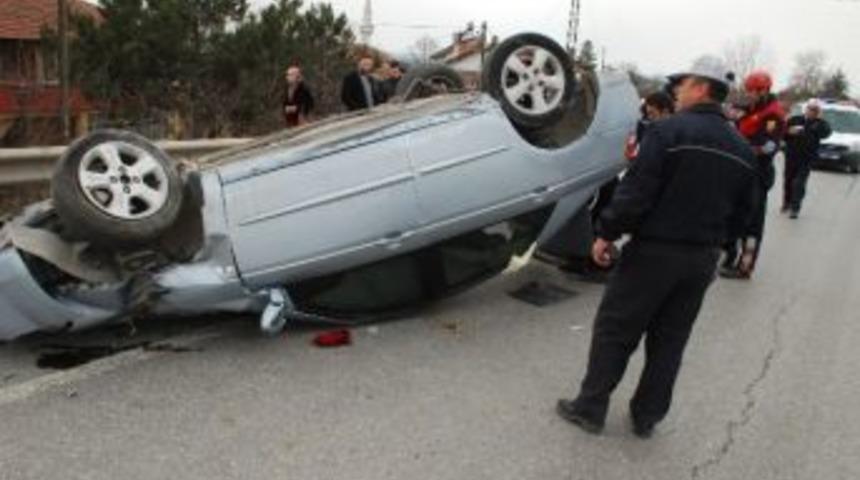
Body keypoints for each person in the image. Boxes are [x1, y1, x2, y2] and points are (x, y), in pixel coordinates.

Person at [555, 58, 759, 438]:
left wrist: (606, 233)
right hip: (701, 259)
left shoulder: (668, 132)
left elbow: (636, 192)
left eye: (682, 85)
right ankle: (647, 416)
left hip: (654, 253)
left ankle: (590, 406)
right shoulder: (742, 149)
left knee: (616, 330)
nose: (676, 92)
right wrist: (717, 246)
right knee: (671, 339)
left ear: (700, 87)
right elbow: (745, 214)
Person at [719, 70, 785, 279]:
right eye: (748, 91)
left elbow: (768, 146)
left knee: (752, 223)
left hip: (758, 173)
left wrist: (740, 146)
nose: (748, 95)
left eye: (752, 91)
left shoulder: (773, 114)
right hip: (740, 171)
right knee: (732, 216)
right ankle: (729, 253)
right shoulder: (752, 108)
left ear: (764, 90)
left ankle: (745, 266)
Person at [783, 99, 832, 218]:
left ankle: (795, 208)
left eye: (815, 110)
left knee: (798, 183)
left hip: (806, 159)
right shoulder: (795, 120)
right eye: (810, 109)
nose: (811, 112)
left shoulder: (820, 124)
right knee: (789, 181)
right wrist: (789, 132)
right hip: (791, 156)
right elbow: (783, 133)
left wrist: (819, 119)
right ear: (806, 109)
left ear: (818, 112)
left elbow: (826, 133)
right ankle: (787, 202)